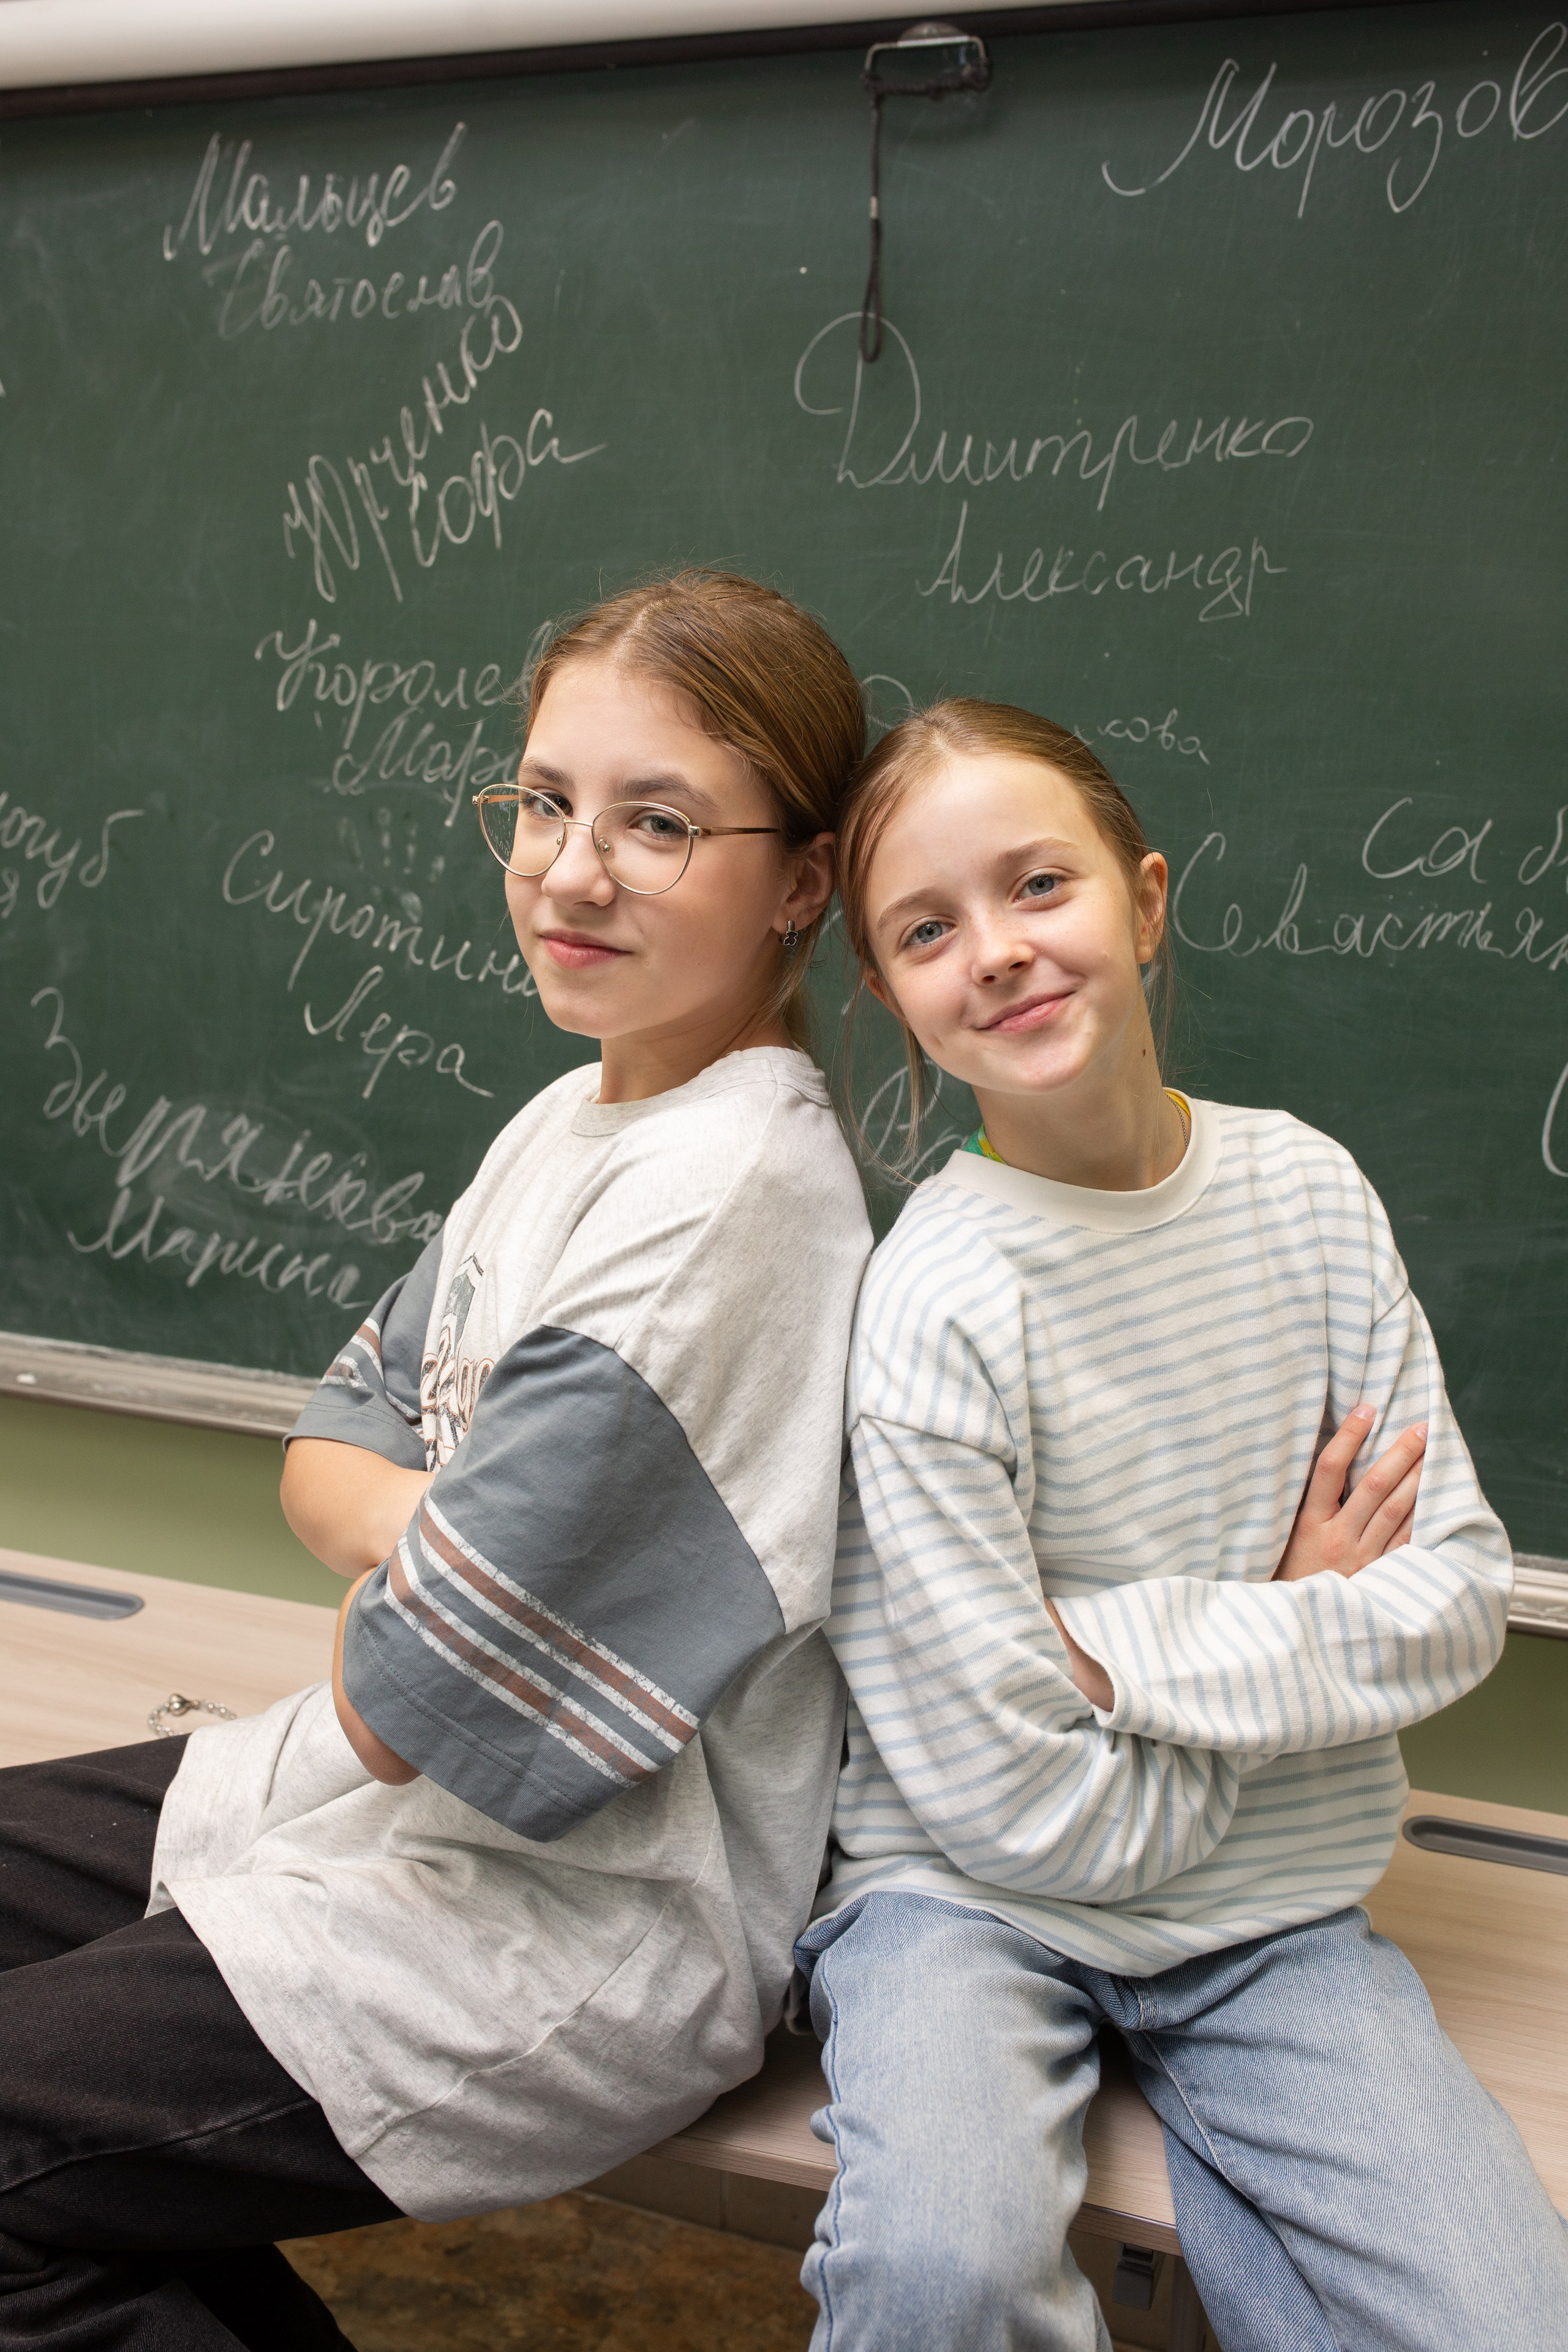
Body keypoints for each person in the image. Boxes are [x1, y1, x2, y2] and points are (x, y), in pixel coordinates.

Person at [0, 571, 872, 2351]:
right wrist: (461, 1542)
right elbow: (332, 1447)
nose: (570, 868)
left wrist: (432, 1587)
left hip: (562, 1927)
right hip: (355, 1803)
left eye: (657, 823)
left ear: (803, 879)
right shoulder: (574, 1116)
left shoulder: (737, 1198)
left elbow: (417, 1690)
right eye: (544, 802)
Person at [795, 698, 1567, 2351]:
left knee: (1508, 2321)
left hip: (1273, 1917)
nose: (996, 952)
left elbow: (1457, 1598)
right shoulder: (934, 1301)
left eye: (1039, 888)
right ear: (887, 993)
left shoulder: (1311, 1198)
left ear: (1144, 899)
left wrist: (1127, 1652)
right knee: (942, 2274)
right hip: (964, 1906)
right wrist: (1295, 1632)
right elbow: (1021, 1812)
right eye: (929, 929)